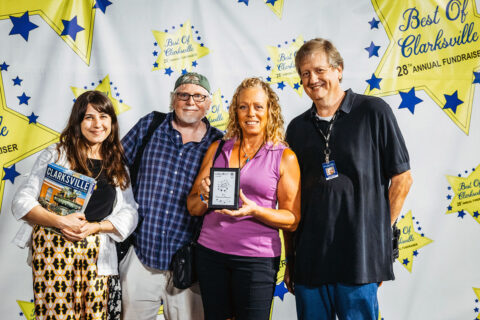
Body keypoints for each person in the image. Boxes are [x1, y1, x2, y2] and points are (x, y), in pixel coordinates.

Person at [284, 38, 413, 320]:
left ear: (338, 69)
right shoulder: (296, 129)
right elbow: (289, 198)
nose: (312, 79)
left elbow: (402, 179)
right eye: (305, 74)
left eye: (320, 70)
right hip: (310, 261)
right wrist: (291, 260)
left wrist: (378, 238)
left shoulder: (374, 112)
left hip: (360, 259)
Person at [11, 90, 139, 320]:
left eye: (103, 116)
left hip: (96, 252)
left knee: (94, 315)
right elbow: (21, 201)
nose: (97, 124)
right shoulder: (56, 155)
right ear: (78, 122)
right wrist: (61, 221)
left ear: (112, 121)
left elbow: (129, 211)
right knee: (56, 316)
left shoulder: (117, 164)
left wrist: (97, 227)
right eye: (89, 117)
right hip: (53, 247)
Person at [187, 77, 301, 320]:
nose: (251, 113)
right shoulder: (218, 148)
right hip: (210, 254)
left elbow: (292, 219)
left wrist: (255, 210)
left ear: (270, 110)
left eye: (258, 106)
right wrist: (205, 196)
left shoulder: (284, 156)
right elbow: (193, 207)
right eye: (243, 106)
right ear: (235, 111)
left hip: (256, 260)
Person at [120, 72, 223, 320]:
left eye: (199, 96)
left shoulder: (220, 144)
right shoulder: (150, 125)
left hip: (191, 263)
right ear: (172, 99)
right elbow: (114, 166)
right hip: (141, 252)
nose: (190, 101)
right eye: (183, 94)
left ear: (209, 104)